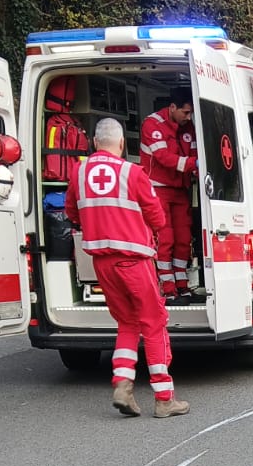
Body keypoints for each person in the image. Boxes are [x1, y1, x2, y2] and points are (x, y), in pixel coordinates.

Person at [65, 117, 188, 419]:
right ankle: (164, 398)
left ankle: (122, 384)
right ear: (121, 143)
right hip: (134, 260)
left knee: (127, 323)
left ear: (95, 143)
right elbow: (157, 216)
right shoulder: (132, 172)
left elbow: (71, 212)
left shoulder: (79, 172)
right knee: (154, 323)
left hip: (102, 263)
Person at [140, 86, 199, 303]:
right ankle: (167, 287)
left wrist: (197, 167)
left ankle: (182, 284)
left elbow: (194, 151)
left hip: (181, 189)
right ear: (172, 107)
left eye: (190, 113)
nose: (188, 117)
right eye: (185, 112)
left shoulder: (188, 127)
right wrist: (194, 164)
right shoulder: (152, 124)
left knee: (183, 238)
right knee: (165, 238)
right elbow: (164, 158)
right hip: (158, 189)